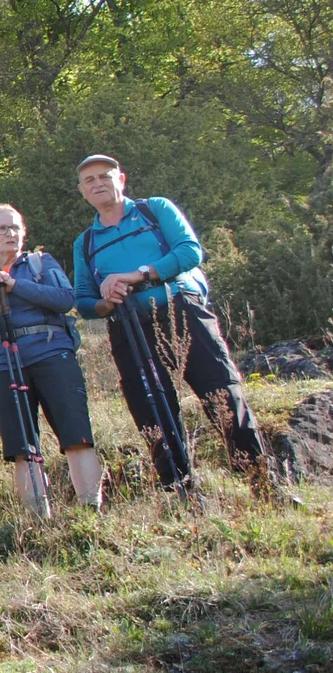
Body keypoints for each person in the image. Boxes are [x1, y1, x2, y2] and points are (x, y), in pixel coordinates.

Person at [71, 155, 275, 497]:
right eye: (89, 180)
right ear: (82, 191)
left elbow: (190, 252)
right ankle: (177, 489)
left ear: (121, 179)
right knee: (149, 406)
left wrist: (138, 274)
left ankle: (260, 482)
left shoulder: (155, 210)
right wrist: (107, 300)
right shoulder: (86, 242)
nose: (98, 184)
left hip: (181, 309)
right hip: (128, 324)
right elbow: (82, 300)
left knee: (221, 391)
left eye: (104, 176)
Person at [0, 204, 102, 512]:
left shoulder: (40, 263)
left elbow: (65, 299)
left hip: (52, 353)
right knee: (22, 446)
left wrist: (15, 285)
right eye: (2, 228)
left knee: (76, 434)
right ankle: (38, 520)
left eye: (16, 228)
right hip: (3, 363)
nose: (10, 234)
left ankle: (91, 512)